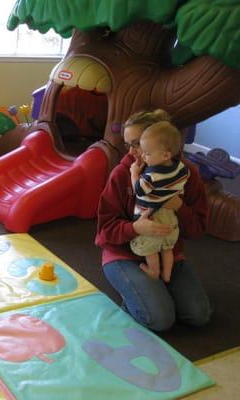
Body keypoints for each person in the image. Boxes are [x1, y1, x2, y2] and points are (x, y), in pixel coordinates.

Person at [95, 109, 211, 332]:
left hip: (167, 251)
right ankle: (135, 293)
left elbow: (197, 229)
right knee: (160, 319)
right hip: (125, 255)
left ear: (161, 143)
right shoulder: (123, 174)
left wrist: (178, 206)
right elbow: (105, 231)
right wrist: (135, 228)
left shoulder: (187, 174)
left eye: (137, 143)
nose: (131, 152)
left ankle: (152, 290)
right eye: (128, 144)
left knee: (198, 315)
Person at [129, 121, 189, 282]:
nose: (143, 156)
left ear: (165, 155)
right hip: (170, 216)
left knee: (151, 249)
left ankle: (153, 272)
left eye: (147, 153)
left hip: (151, 215)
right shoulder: (181, 167)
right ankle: (167, 275)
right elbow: (184, 179)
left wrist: (134, 173)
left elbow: (139, 190)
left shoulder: (151, 176)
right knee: (167, 248)